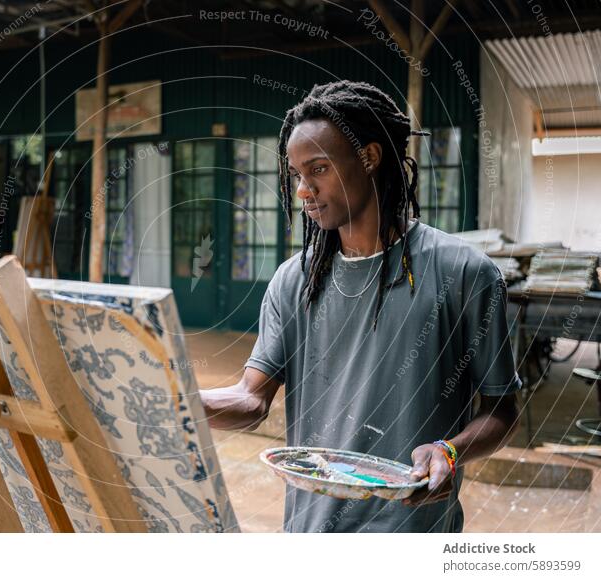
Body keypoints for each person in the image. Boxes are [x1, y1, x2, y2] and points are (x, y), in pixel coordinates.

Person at [200, 80, 521, 533]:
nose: (302, 190)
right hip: (309, 535)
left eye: (318, 169)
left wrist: (451, 450)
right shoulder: (294, 281)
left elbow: (502, 410)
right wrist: (176, 402)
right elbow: (252, 401)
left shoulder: (465, 272)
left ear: (369, 157)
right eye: (296, 175)